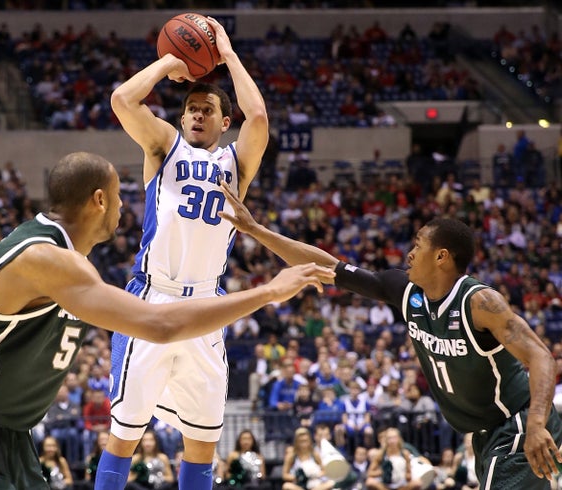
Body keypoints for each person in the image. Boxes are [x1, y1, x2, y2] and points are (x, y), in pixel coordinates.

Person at [0, 152, 333, 489]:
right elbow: (158, 325)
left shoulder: (72, 263)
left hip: (7, 436)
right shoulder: (44, 258)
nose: (126, 205)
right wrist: (268, 292)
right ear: (99, 200)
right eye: (121, 195)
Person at [219, 183, 562, 489]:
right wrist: (256, 230)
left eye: (418, 245)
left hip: (518, 424)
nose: (409, 253)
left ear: (442, 257)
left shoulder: (480, 302)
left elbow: (541, 356)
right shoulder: (406, 292)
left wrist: (536, 424)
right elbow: (325, 267)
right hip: (487, 434)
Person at [100, 15, 271, 490]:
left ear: (224, 120)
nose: (197, 114)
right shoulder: (163, 146)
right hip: (152, 298)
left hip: (206, 308)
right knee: (124, 437)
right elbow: (122, 100)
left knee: (202, 442)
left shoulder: (236, 162)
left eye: (207, 109)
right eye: (191, 108)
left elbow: (258, 118)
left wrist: (228, 55)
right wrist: (171, 62)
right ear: (181, 118)